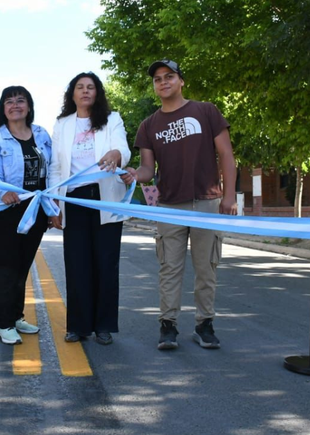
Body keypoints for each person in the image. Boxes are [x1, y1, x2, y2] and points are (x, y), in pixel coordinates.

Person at [122, 59, 237, 350]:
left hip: (207, 202)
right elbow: (148, 169)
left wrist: (229, 196)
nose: (163, 82)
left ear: (181, 81)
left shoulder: (206, 111)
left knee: (206, 268)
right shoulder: (149, 125)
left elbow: (226, 154)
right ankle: (168, 326)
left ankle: (204, 325)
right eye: (158, 79)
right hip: (169, 205)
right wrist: (137, 175)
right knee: (169, 268)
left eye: (169, 76)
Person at [48, 72, 131, 346]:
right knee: (77, 263)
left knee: (106, 263)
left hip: (105, 197)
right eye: (80, 87)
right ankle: (78, 326)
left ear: (98, 93)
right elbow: (56, 167)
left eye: (91, 87)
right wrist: (54, 203)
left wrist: (117, 155)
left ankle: (104, 325)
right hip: (74, 199)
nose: (85, 91)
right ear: (72, 94)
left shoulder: (112, 119)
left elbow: (122, 147)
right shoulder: (62, 124)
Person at [0, 86, 52, 345]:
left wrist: (53, 206)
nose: (15, 105)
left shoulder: (42, 134)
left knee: (22, 267)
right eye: (9, 102)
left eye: (20, 101)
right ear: (3, 108)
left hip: (35, 210)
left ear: (29, 106)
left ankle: (16, 315)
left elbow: (51, 170)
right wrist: (2, 193)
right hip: (4, 213)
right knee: (4, 269)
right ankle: (4, 323)